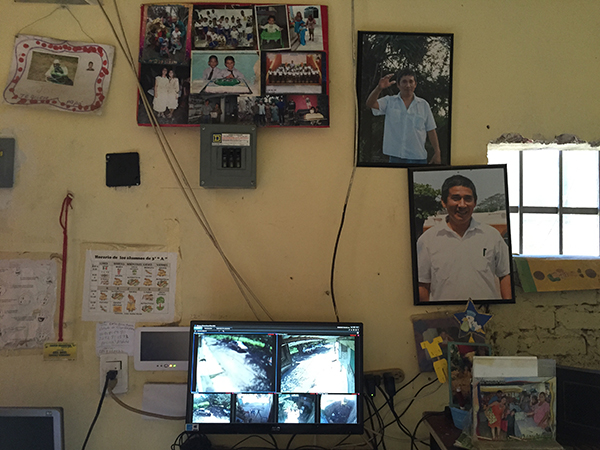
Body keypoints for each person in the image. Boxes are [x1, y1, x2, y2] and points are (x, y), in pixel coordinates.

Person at [417, 174, 512, 302]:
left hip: (485, 315)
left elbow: (505, 274)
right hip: (445, 317)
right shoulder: (428, 240)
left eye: (468, 199)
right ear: (444, 202)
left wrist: (507, 307)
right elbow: (422, 284)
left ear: (475, 202)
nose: (462, 205)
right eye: (456, 198)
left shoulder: (492, 236)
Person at [366, 69, 441, 164]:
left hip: (418, 157)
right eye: (404, 82)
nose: (408, 85)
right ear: (398, 85)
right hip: (395, 157)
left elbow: (431, 130)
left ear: (415, 84)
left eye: (411, 81)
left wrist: (437, 152)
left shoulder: (423, 105)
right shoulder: (389, 101)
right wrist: (379, 88)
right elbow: (370, 104)